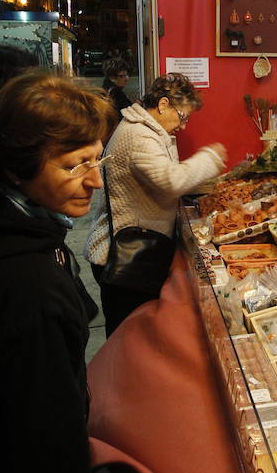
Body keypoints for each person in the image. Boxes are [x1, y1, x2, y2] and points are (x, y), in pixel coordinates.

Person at [0, 72, 191, 473]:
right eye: (74, 165)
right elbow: (42, 431)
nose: (94, 179)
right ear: (16, 166)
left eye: (96, 159)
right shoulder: (25, 284)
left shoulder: (22, 229)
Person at [86, 72, 227, 336]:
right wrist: (211, 157)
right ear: (163, 104)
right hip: (124, 256)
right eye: (183, 116)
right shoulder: (139, 135)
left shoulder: (148, 130)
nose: (184, 125)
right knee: (127, 336)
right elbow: (171, 179)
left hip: (137, 250)